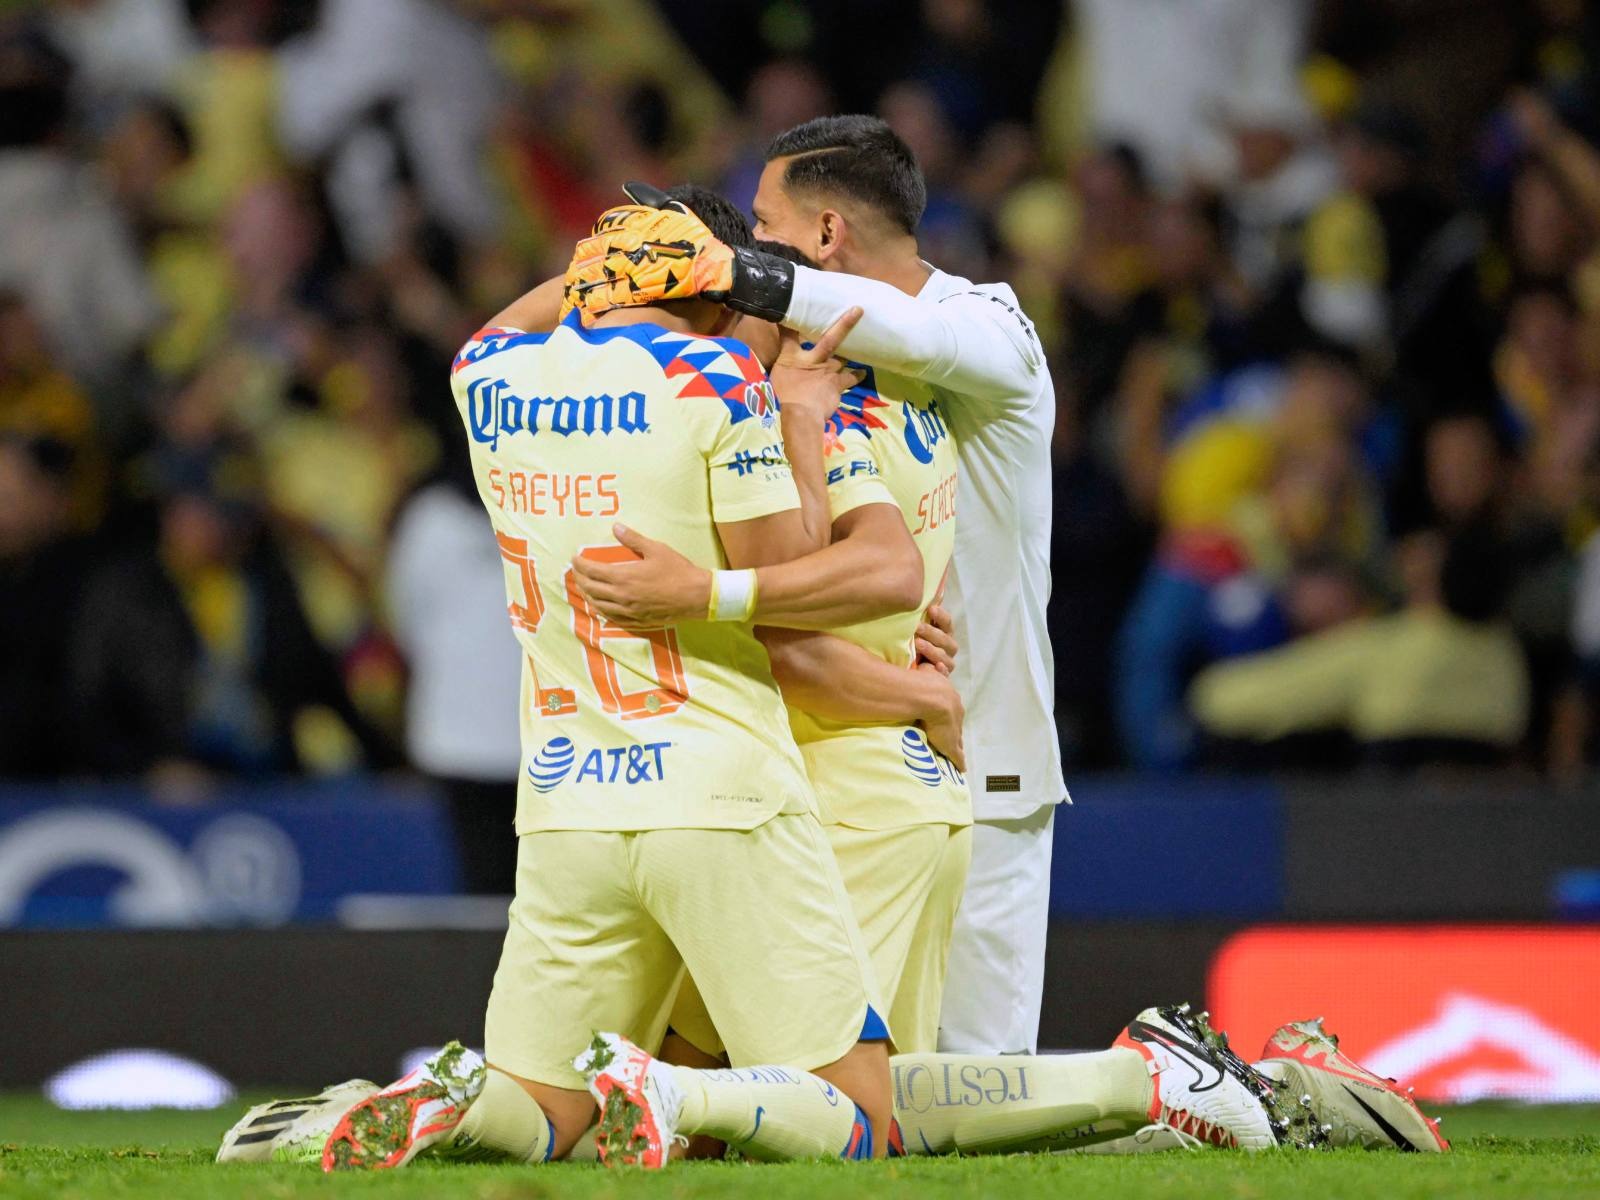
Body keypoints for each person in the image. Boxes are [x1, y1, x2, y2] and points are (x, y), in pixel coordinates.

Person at [322, 198, 913, 1173]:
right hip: (717, 789)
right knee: (858, 1111)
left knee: (543, 1108)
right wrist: (801, 419)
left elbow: (504, 323)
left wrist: (606, 266)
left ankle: (449, 1109)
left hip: (568, 802)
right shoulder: (712, 376)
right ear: (716, 292)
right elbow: (792, 579)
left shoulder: (489, 378)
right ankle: (669, 1092)